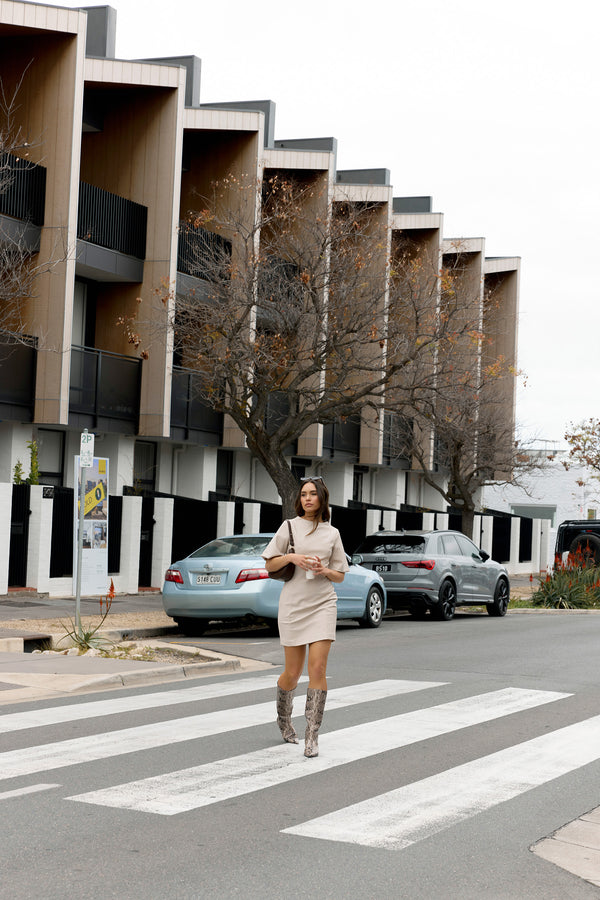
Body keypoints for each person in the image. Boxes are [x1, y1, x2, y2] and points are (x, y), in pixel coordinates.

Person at [262, 477, 348, 757]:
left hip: (323, 603)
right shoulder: (289, 527)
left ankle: (312, 735)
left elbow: (340, 575)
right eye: (303, 495)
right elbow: (269, 563)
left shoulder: (332, 533)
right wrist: (292, 558)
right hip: (293, 605)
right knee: (292, 672)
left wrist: (324, 570)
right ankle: (284, 720)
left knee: (318, 669)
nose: (307, 499)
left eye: (313, 494)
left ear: (322, 498)